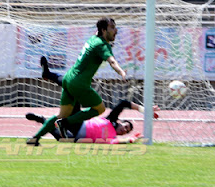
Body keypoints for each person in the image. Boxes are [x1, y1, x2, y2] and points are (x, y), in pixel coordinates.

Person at [27, 17, 127, 146]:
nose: (116, 30)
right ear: (103, 30)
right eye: (112, 27)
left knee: (61, 114)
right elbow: (112, 61)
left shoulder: (93, 39)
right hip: (79, 83)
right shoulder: (102, 45)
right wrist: (121, 72)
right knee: (100, 109)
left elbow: (98, 37)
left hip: (68, 78)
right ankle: (65, 123)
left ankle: (34, 139)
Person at [26, 57, 159, 145]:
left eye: (126, 131)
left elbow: (116, 143)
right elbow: (124, 103)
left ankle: (42, 120)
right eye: (126, 126)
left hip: (77, 133)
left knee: (62, 139)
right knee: (72, 86)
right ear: (120, 121)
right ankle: (48, 75)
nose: (124, 130)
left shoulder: (112, 137)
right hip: (78, 120)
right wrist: (144, 110)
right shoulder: (110, 120)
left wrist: (130, 140)